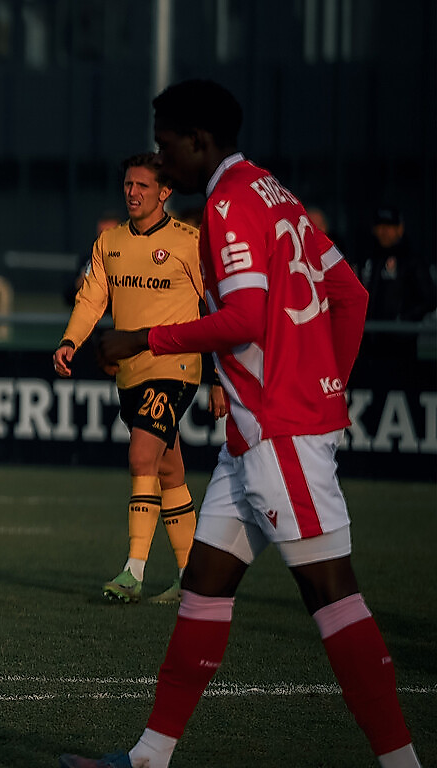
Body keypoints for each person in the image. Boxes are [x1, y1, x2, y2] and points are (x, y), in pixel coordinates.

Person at [64, 79, 418, 768]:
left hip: (278, 434)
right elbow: (350, 292)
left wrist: (140, 342)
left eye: (167, 145)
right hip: (256, 436)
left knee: (334, 600)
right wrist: (329, 389)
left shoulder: (227, 204)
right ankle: (148, 757)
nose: (162, 163)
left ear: (200, 140)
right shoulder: (272, 192)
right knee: (203, 590)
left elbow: (248, 318)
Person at [54, 153, 224, 605]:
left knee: (141, 454)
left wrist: (222, 377)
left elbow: (218, 311)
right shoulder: (108, 243)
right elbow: (91, 299)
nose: (133, 192)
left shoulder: (190, 243)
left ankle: (133, 571)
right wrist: (70, 341)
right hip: (131, 374)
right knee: (169, 470)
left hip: (177, 367)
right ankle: (192, 577)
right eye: (128, 185)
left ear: (165, 192)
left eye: (143, 186)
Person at [354, 207, 434, 359]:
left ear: (400, 228)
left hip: (400, 344)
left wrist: (404, 319)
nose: (384, 231)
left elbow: (429, 297)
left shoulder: (411, 261)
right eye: (380, 226)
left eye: (389, 226)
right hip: (368, 342)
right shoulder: (368, 258)